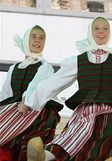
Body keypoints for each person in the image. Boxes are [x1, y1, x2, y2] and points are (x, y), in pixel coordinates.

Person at [24, 16, 112, 161]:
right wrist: (30, 101)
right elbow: (54, 82)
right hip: (85, 110)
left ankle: (49, 156)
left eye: (105, 28)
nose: (101, 32)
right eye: (97, 28)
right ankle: (45, 156)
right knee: (76, 128)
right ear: (90, 31)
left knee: (90, 125)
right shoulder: (78, 61)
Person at [0, 25, 63, 161]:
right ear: (26, 40)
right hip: (15, 107)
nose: (38, 40)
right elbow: (5, 94)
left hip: (35, 108)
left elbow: (36, 87)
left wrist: (25, 101)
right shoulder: (14, 68)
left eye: (42, 38)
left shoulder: (45, 67)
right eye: (33, 36)